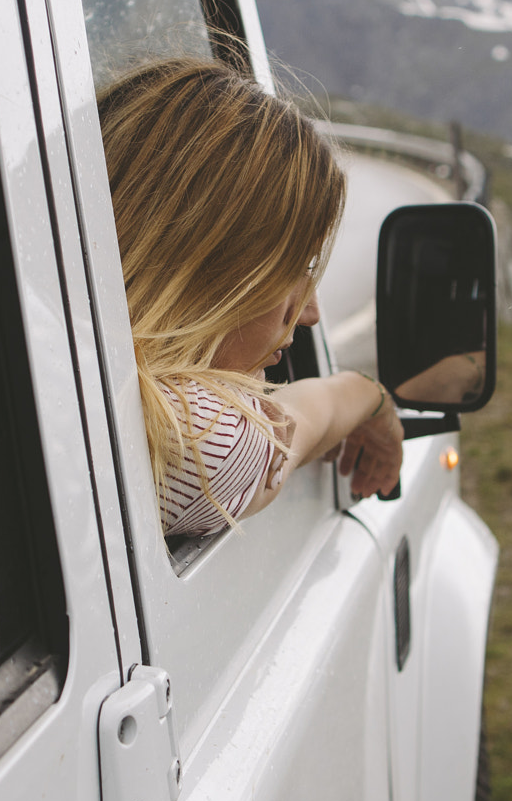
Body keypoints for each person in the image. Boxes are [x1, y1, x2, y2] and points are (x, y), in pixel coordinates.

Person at [98, 57, 406, 535]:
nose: (310, 314)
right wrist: (370, 397)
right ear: (207, 271)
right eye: (294, 271)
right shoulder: (194, 438)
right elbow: (299, 422)